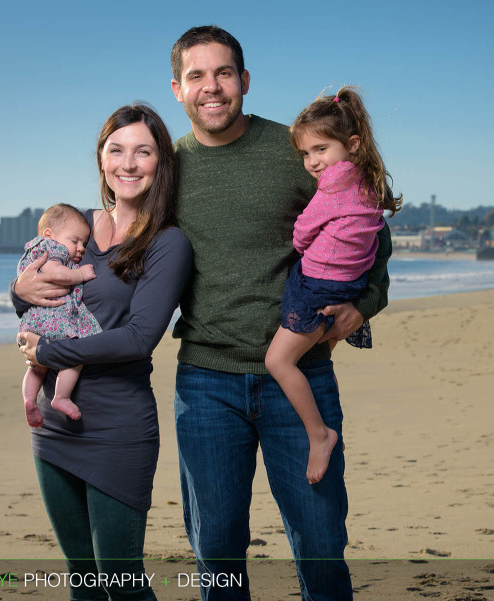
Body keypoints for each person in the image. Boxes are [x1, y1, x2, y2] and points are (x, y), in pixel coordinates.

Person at [169, 25, 391, 601]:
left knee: (319, 545)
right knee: (216, 551)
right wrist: (33, 293)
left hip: (302, 376)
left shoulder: (296, 152)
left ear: (244, 80)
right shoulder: (167, 167)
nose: (211, 87)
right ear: (178, 89)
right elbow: (121, 249)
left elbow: (373, 237)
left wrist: (361, 309)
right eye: (197, 76)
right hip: (206, 383)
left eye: (223, 74)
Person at [11, 104, 192, 601]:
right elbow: (33, 292)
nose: (128, 164)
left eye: (143, 151)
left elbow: (138, 337)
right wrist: (16, 293)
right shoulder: (73, 231)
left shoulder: (167, 243)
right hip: (52, 425)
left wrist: (50, 347)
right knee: (84, 581)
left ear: (161, 163)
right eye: (116, 149)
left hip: (117, 426)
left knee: (121, 584)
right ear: (101, 158)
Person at [264, 87, 402, 485]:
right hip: (348, 283)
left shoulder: (335, 184)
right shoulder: (368, 184)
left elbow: (304, 230)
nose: (312, 162)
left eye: (320, 149)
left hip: (319, 283)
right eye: (306, 154)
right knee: (320, 351)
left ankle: (319, 434)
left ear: (352, 144)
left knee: (278, 361)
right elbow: (373, 240)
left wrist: (303, 241)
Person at [18, 203, 100, 427]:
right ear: (49, 234)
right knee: (74, 357)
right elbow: (56, 274)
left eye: (84, 243)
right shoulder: (52, 249)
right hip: (55, 318)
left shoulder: (32, 250)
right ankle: (61, 397)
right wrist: (81, 273)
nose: (81, 248)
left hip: (32, 322)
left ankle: (29, 399)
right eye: (75, 241)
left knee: (37, 367)